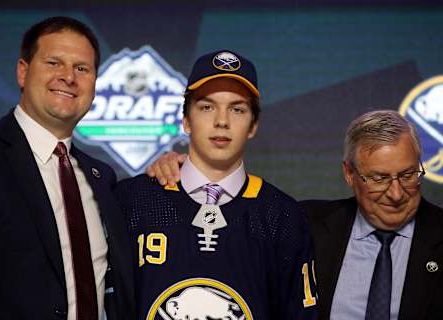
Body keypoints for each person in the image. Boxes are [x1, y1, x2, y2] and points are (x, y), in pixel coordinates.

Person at [116, 50, 318, 320]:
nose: (222, 121)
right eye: (206, 107)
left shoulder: (281, 216)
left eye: (237, 109)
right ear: (186, 120)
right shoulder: (133, 200)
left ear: (253, 125)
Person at [0, 16, 135, 320]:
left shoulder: (102, 177)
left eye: (82, 68)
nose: (68, 77)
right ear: (23, 71)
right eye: (54, 63)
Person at [300, 110, 443, 320]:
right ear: (349, 174)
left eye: (407, 175)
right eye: (379, 178)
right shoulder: (306, 225)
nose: (396, 194)